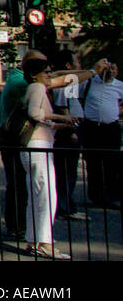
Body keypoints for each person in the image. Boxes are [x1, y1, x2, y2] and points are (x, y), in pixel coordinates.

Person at [21, 57, 76, 259]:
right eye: (46, 72)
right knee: (46, 195)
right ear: (35, 74)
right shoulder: (37, 88)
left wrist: (58, 125)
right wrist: (61, 117)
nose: (49, 76)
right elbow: (35, 114)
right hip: (38, 146)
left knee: (37, 195)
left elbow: (38, 118)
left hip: (35, 144)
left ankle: (33, 239)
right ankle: (45, 242)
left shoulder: (34, 88)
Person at [80, 58, 123, 208]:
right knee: (93, 164)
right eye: (107, 68)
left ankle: (112, 195)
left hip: (111, 128)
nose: (110, 71)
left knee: (113, 163)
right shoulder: (90, 82)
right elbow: (74, 95)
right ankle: (96, 196)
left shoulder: (120, 86)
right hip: (92, 128)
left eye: (113, 69)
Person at [50, 50, 83, 220]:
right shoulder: (65, 84)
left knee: (69, 170)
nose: (79, 64)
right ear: (68, 65)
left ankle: (66, 203)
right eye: (76, 61)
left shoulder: (70, 82)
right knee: (66, 170)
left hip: (72, 127)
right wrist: (71, 130)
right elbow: (63, 107)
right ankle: (64, 205)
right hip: (68, 130)